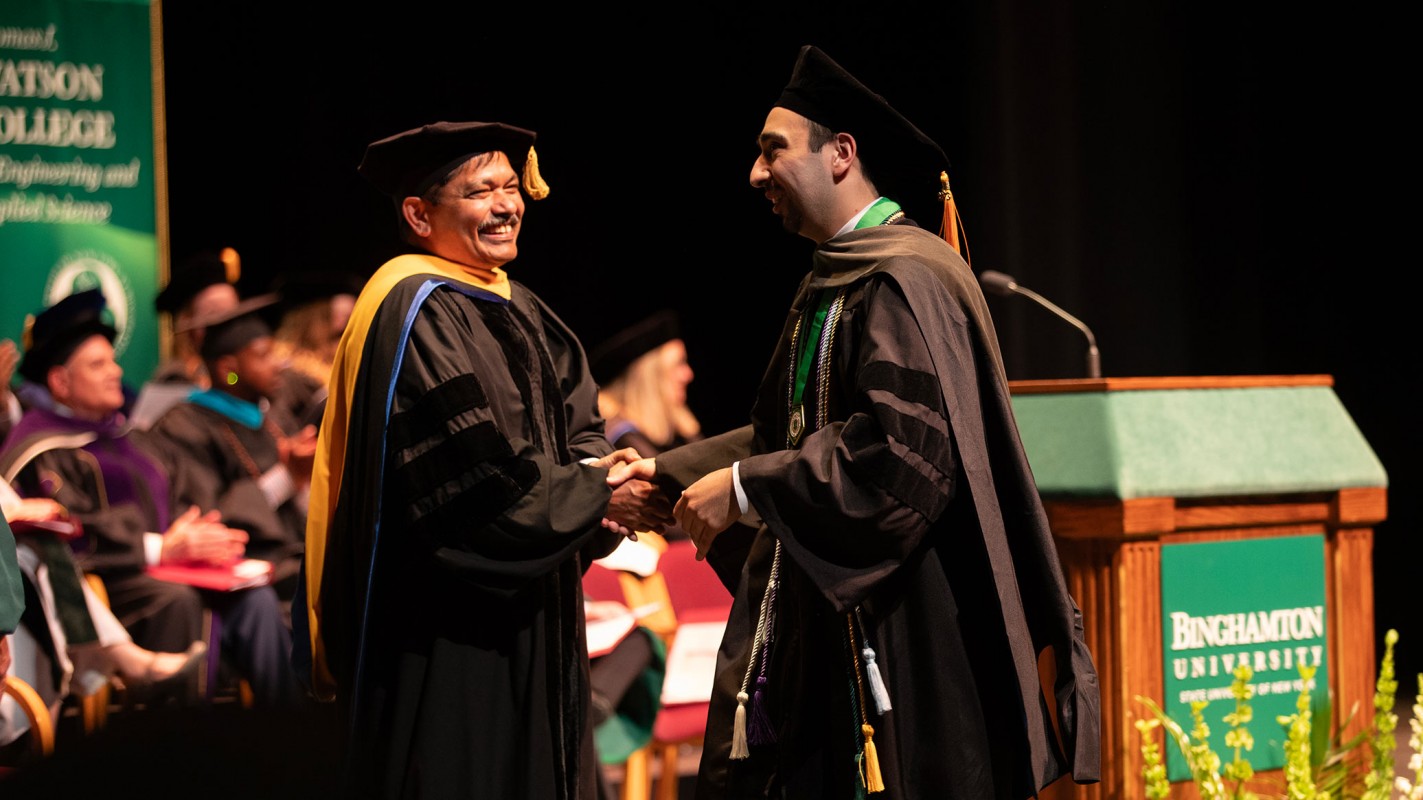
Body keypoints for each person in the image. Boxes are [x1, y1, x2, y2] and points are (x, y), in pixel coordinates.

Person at [611, 46, 1102, 799]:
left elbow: (898, 464)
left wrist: (744, 489)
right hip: (843, 624)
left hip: (909, 634)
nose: (754, 173)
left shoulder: (903, 278)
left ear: (840, 154)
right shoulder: (837, 278)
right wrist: (665, 475)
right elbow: (788, 430)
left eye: (772, 150)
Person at [297, 120, 674, 799]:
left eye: (510, 186)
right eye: (481, 191)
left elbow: (583, 424)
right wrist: (595, 497)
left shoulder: (519, 303)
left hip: (537, 606)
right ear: (418, 214)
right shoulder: (413, 308)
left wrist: (600, 478)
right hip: (451, 630)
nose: (506, 205)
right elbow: (472, 488)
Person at [0, 288, 303, 708]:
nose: (115, 372)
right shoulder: (41, 449)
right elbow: (67, 532)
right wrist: (162, 548)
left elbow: (183, 496)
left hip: (177, 569)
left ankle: (285, 737)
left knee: (255, 598)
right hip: (116, 582)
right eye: (98, 364)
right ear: (60, 382)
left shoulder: (132, 436)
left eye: (112, 360)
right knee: (178, 602)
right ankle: (176, 752)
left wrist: (199, 536)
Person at [144, 296, 315, 609]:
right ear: (228, 370)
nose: (278, 364)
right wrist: (287, 477)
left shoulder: (273, 417)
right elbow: (212, 515)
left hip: (298, 558)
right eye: (263, 356)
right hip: (248, 574)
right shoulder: (185, 427)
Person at [266, 270, 363, 436]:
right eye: (339, 334)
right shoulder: (290, 373)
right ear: (316, 323)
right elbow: (277, 431)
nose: (345, 341)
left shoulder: (341, 366)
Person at [152, 248, 243, 389]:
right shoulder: (175, 380)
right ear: (187, 323)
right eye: (214, 314)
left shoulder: (247, 373)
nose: (226, 323)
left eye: (232, 312)